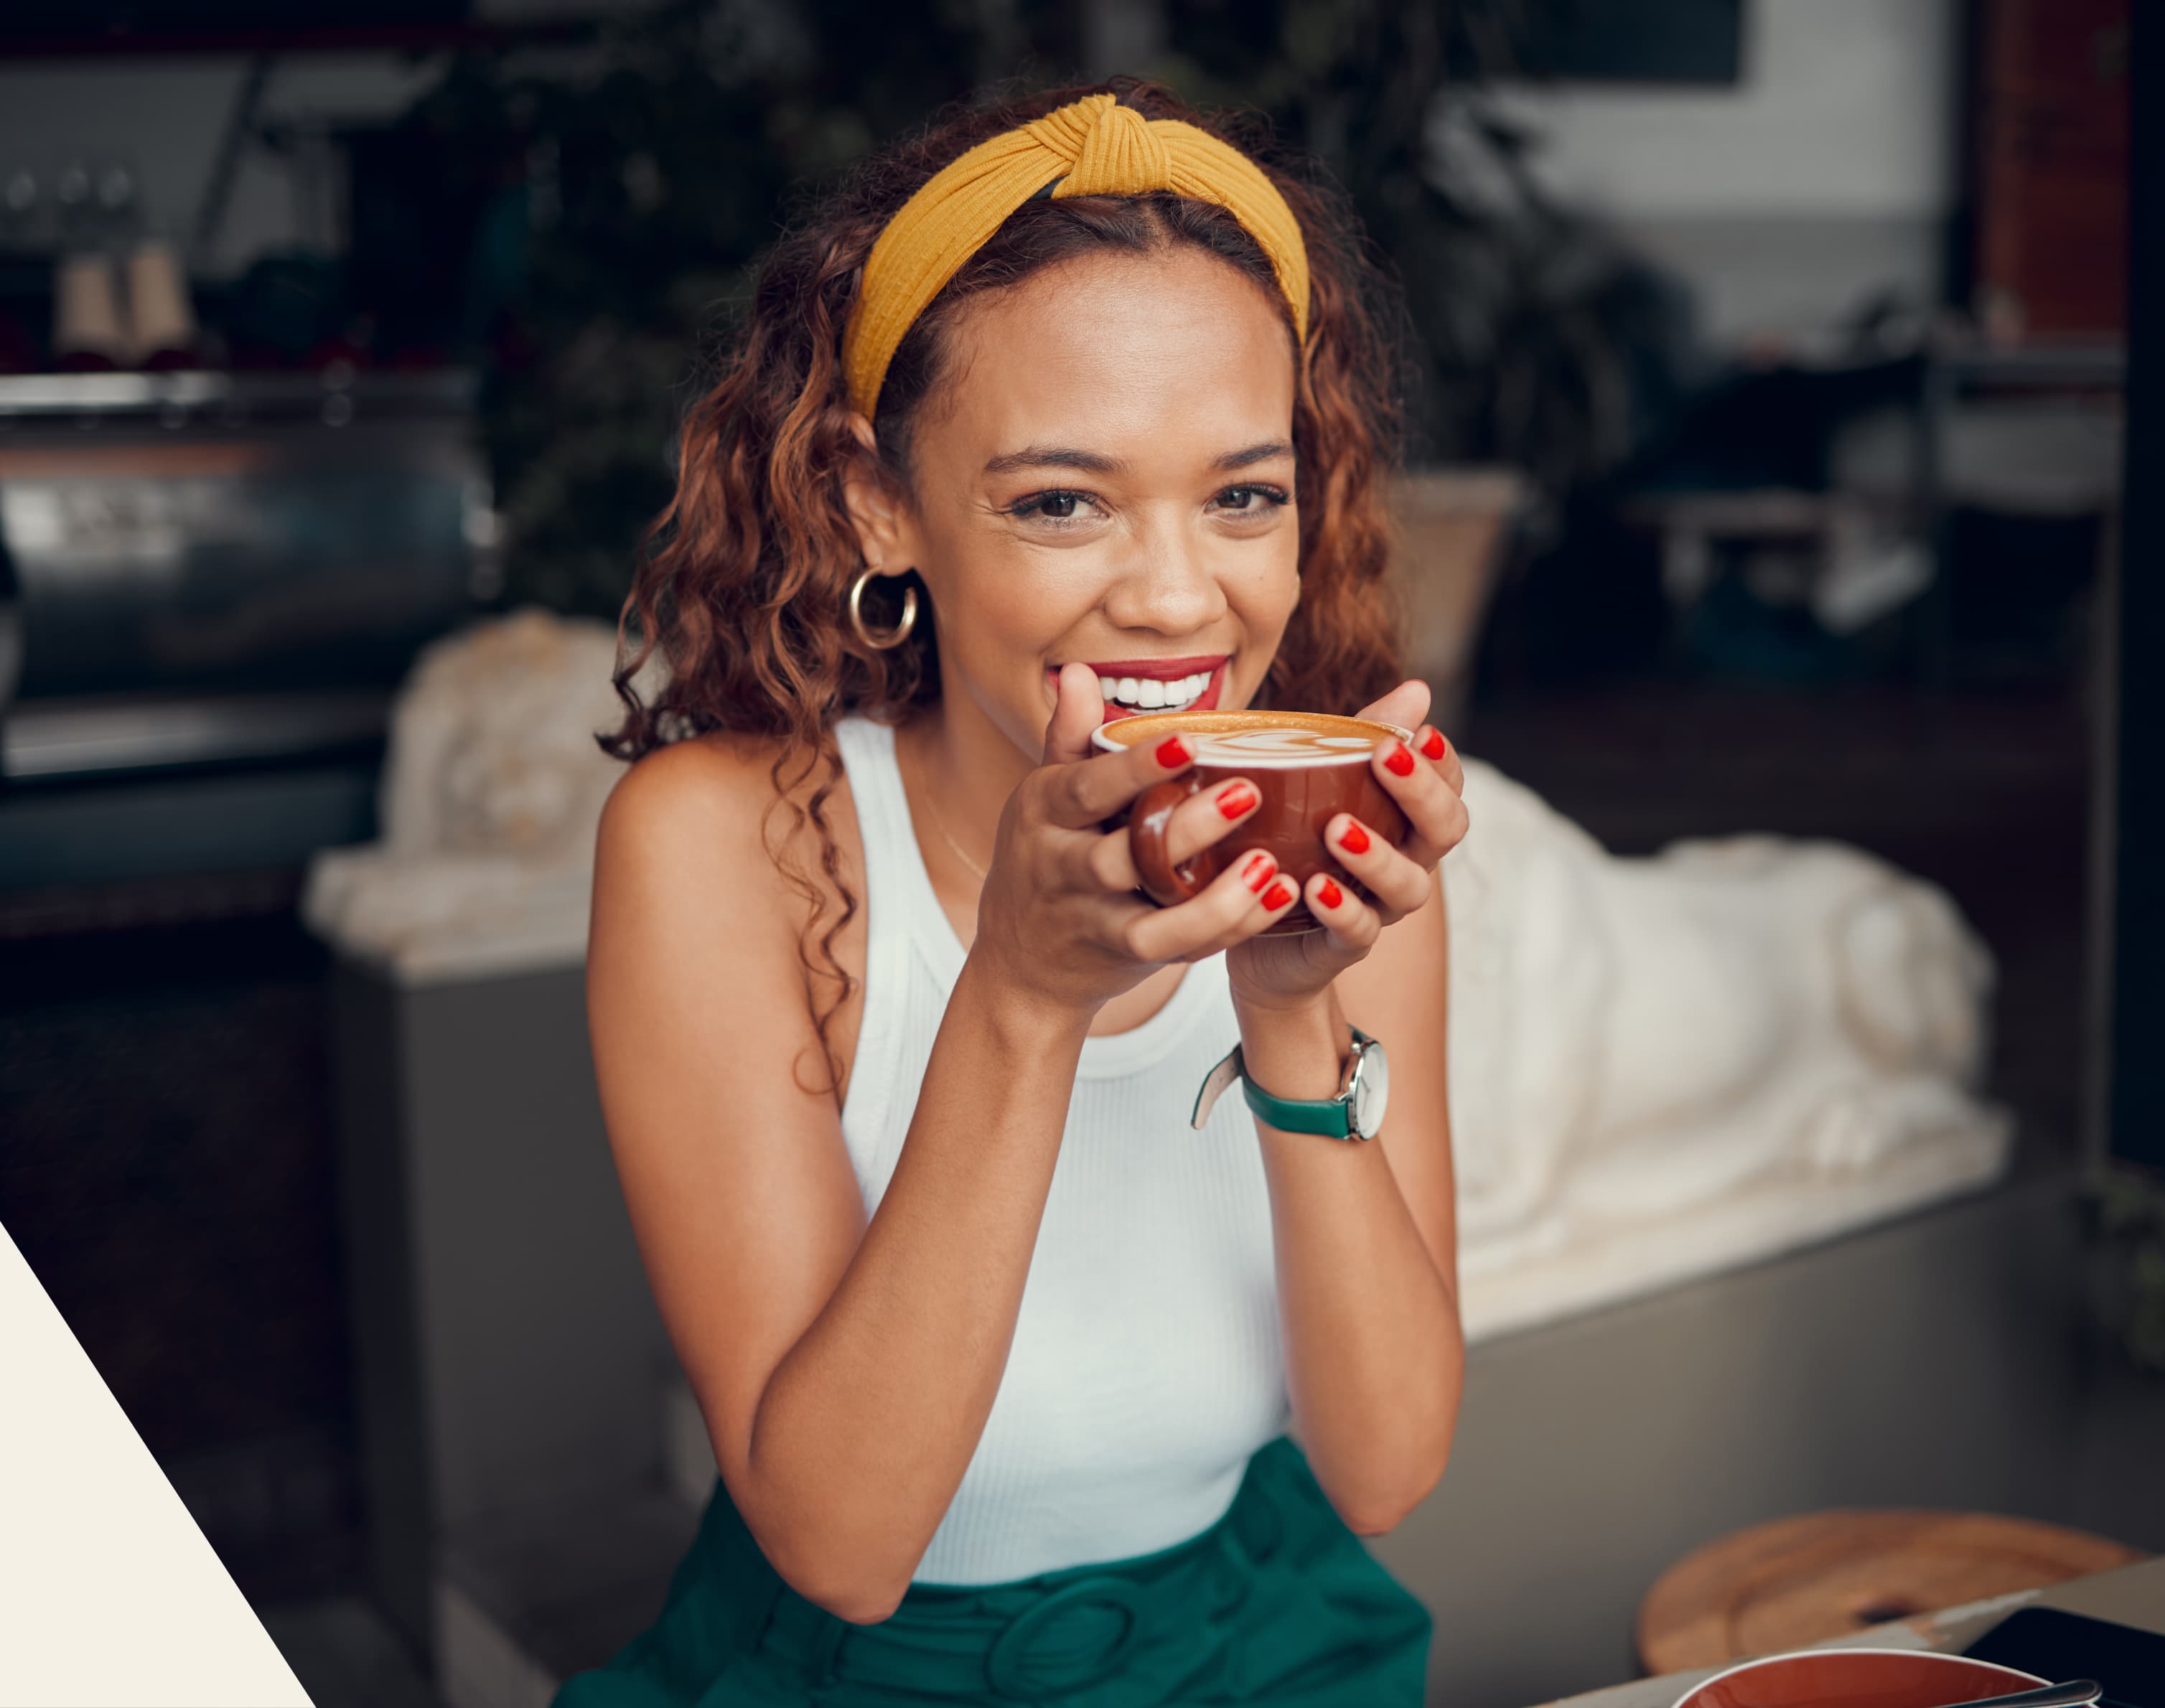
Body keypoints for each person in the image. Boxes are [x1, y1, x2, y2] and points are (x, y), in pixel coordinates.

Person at [565, 78, 1470, 1708]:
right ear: (875, 502)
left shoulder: (1345, 863)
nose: (1177, 594)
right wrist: (1024, 991)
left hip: (1258, 1639)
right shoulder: (714, 845)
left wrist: (1285, 1004)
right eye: (1061, 500)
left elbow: (1387, 1466)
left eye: (1241, 493)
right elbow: (841, 1539)